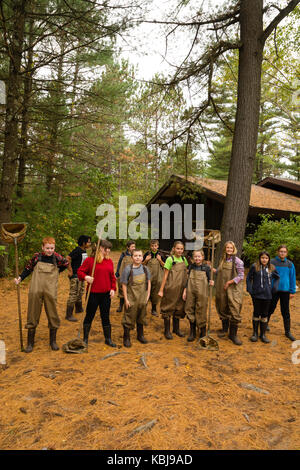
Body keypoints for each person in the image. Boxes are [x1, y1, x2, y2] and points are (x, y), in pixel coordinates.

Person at [14, 237, 69, 352]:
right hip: (36, 290)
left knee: (53, 313)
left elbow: (66, 263)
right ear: (42, 247)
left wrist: (57, 272)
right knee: (32, 313)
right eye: (47, 248)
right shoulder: (36, 257)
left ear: (54, 248)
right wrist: (20, 278)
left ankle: (53, 341)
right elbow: (28, 268)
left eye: (52, 248)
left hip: (50, 290)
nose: (49, 250)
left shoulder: (57, 258)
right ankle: (30, 343)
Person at [77, 239, 116, 348]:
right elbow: (80, 272)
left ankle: (108, 339)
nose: (108, 250)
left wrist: (113, 288)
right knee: (89, 315)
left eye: (109, 248)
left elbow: (112, 277)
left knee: (105, 316)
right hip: (93, 294)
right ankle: (85, 339)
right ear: (100, 248)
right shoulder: (90, 261)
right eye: (106, 248)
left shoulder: (109, 261)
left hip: (106, 295)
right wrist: (86, 277)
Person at [215, 241, 244, 345]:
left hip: (233, 289)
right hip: (222, 288)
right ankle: (224, 330)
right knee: (223, 307)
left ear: (234, 249)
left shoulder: (238, 261)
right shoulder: (223, 259)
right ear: (225, 249)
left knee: (234, 309)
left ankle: (233, 335)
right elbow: (219, 271)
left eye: (231, 248)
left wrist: (230, 282)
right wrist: (212, 269)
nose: (229, 250)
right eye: (227, 248)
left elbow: (241, 276)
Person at [246, 251, 280, 343]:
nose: (264, 259)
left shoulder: (272, 268)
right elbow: (249, 278)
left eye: (266, 258)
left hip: (267, 295)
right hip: (256, 294)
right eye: (262, 258)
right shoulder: (255, 267)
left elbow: (277, 277)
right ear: (259, 258)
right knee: (256, 313)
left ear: (268, 259)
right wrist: (250, 289)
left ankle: (263, 334)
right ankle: (255, 334)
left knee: (265, 314)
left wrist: (275, 287)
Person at [158, 240, 189, 340]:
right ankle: (167, 330)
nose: (179, 251)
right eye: (178, 249)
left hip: (181, 288)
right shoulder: (170, 259)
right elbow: (165, 275)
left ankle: (176, 329)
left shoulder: (184, 259)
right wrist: (161, 290)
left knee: (179, 308)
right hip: (171, 288)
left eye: (181, 249)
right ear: (174, 249)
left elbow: (187, 273)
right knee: (168, 307)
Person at [121, 249, 151, 347]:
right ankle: (126, 337)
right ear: (132, 257)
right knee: (129, 316)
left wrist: (147, 296)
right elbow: (124, 285)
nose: (138, 258)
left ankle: (140, 335)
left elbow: (149, 282)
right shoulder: (128, 269)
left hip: (142, 297)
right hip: (131, 297)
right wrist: (126, 299)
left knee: (141, 316)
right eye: (135, 256)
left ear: (143, 257)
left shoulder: (145, 269)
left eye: (139, 256)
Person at [183, 249, 214, 342]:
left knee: (201, 309)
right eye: (195, 256)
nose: (197, 258)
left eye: (199, 256)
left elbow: (210, 279)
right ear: (193, 258)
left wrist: (211, 282)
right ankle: (192, 331)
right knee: (190, 308)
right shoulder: (191, 267)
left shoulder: (206, 268)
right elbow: (187, 280)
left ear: (202, 257)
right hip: (191, 291)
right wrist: (185, 290)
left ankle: (202, 331)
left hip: (202, 293)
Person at [267, 245, 297, 341]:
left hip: (285, 291)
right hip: (273, 290)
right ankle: (264, 325)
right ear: (277, 252)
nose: (282, 253)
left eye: (284, 251)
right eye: (281, 251)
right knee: (270, 308)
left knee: (285, 311)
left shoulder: (289, 264)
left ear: (286, 253)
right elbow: (267, 275)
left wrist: (292, 291)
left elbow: (292, 278)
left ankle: (287, 331)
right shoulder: (271, 262)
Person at [65, 235, 91, 322]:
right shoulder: (77, 250)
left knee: (80, 292)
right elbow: (68, 258)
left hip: (81, 275)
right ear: (83, 243)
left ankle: (78, 308)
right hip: (75, 275)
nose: (89, 243)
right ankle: (68, 314)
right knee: (74, 293)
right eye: (88, 242)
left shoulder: (84, 251)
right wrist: (70, 270)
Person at [142, 239, 165, 316]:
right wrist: (146, 260)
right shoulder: (147, 254)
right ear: (150, 246)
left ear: (158, 246)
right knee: (145, 291)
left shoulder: (161, 254)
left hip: (158, 277)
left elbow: (165, 266)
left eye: (155, 246)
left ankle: (154, 309)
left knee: (155, 293)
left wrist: (160, 260)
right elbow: (141, 265)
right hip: (148, 276)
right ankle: (143, 309)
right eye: (152, 246)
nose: (154, 247)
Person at [115, 240, 136, 312]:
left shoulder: (136, 254)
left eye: (134, 246)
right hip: (123, 275)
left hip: (132, 276)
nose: (134, 248)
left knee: (130, 291)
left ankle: (129, 306)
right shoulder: (123, 254)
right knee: (121, 291)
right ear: (128, 247)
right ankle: (121, 306)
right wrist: (117, 273)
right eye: (132, 247)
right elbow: (119, 263)